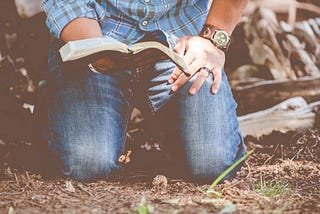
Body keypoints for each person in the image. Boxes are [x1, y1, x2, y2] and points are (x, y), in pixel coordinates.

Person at [40, 0, 248, 181]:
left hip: (180, 45)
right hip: (95, 34)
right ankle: (51, 108)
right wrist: (93, 46)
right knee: (87, 163)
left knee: (213, 163)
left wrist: (212, 40)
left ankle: (173, 131)